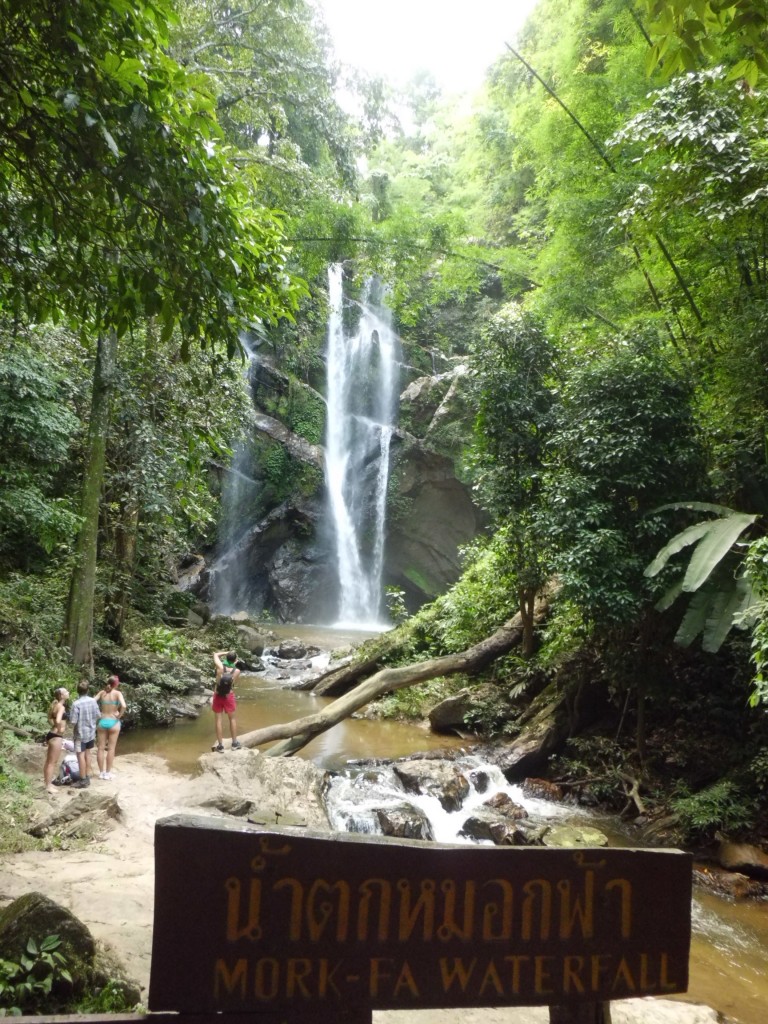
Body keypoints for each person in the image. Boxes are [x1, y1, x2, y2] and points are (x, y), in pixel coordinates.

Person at [69, 679, 100, 788]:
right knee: (88, 753)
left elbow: (73, 721)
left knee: (80, 756)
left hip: (80, 735)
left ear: (78, 691)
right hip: (91, 733)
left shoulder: (76, 704)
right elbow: (98, 715)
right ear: (87, 690)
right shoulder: (93, 701)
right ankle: (87, 775)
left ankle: (83, 780)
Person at [95, 674, 126, 780]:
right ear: (116, 684)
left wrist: (97, 713)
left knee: (100, 748)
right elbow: (124, 706)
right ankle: (108, 773)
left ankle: (101, 773)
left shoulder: (102, 692)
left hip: (102, 721)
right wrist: (119, 716)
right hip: (113, 721)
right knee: (111, 749)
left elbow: (92, 701)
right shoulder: (118, 693)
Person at [211, 650, 241, 752]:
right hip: (229, 696)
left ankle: (220, 746)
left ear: (226, 658)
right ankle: (235, 743)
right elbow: (232, 681)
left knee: (218, 720)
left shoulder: (219, 667)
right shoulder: (236, 671)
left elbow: (216, 654)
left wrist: (226, 652)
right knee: (232, 719)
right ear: (235, 660)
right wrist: (234, 663)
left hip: (218, 695)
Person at [43, 687, 69, 794]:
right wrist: (60, 728)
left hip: (51, 734)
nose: (68, 693)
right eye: (66, 692)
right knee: (52, 762)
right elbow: (58, 720)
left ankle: (47, 783)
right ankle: (48, 786)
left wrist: (53, 726)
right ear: (62, 696)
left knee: (49, 762)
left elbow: (49, 718)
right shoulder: (61, 707)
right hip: (56, 735)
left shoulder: (55, 705)